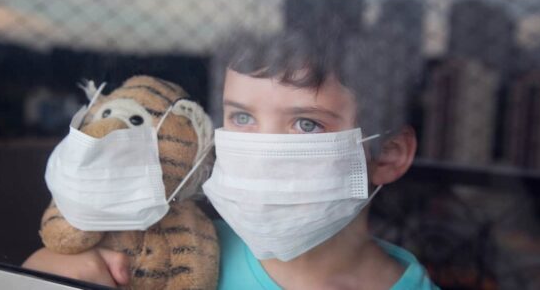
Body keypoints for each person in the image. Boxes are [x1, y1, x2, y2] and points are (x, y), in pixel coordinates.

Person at [24, 27, 439, 289]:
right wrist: (50, 269)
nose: (260, 151)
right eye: (242, 117)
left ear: (387, 154)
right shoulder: (172, 256)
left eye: (306, 124)